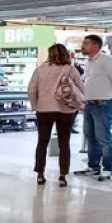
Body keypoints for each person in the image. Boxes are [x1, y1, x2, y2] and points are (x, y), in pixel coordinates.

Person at [28, 44, 84, 187]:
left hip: (44, 110)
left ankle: (40, 175)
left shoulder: (40, 70)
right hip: (66, 111)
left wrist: (35, 106)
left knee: (42, 142)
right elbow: (81, 89)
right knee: (64, 143)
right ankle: (63, 176)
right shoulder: (71, 69)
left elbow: (32, 90)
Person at [75, 35, 112, 182]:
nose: (83, 46)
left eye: (86, 43)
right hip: (90, 104)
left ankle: (109, 169)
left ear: (96, 45)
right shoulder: (88, 62)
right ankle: (93, 166)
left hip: (104, 104)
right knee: (90, 137)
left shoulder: (107, 60)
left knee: (104, 138)